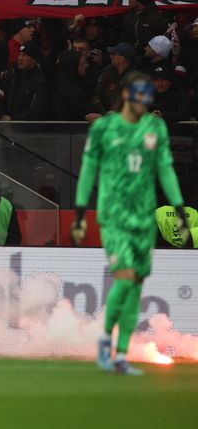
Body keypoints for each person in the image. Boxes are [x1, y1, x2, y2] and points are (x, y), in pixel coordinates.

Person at [72, 74, 188, 375]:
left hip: (143, 214)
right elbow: (88, 171)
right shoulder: (104, 128)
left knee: (136, 286)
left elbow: (165, 170)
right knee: (126, 278)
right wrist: (81, 212)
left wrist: (179, 208)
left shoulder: (154, 128)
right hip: (115, 213)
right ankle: (105, 341)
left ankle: (121, 354)